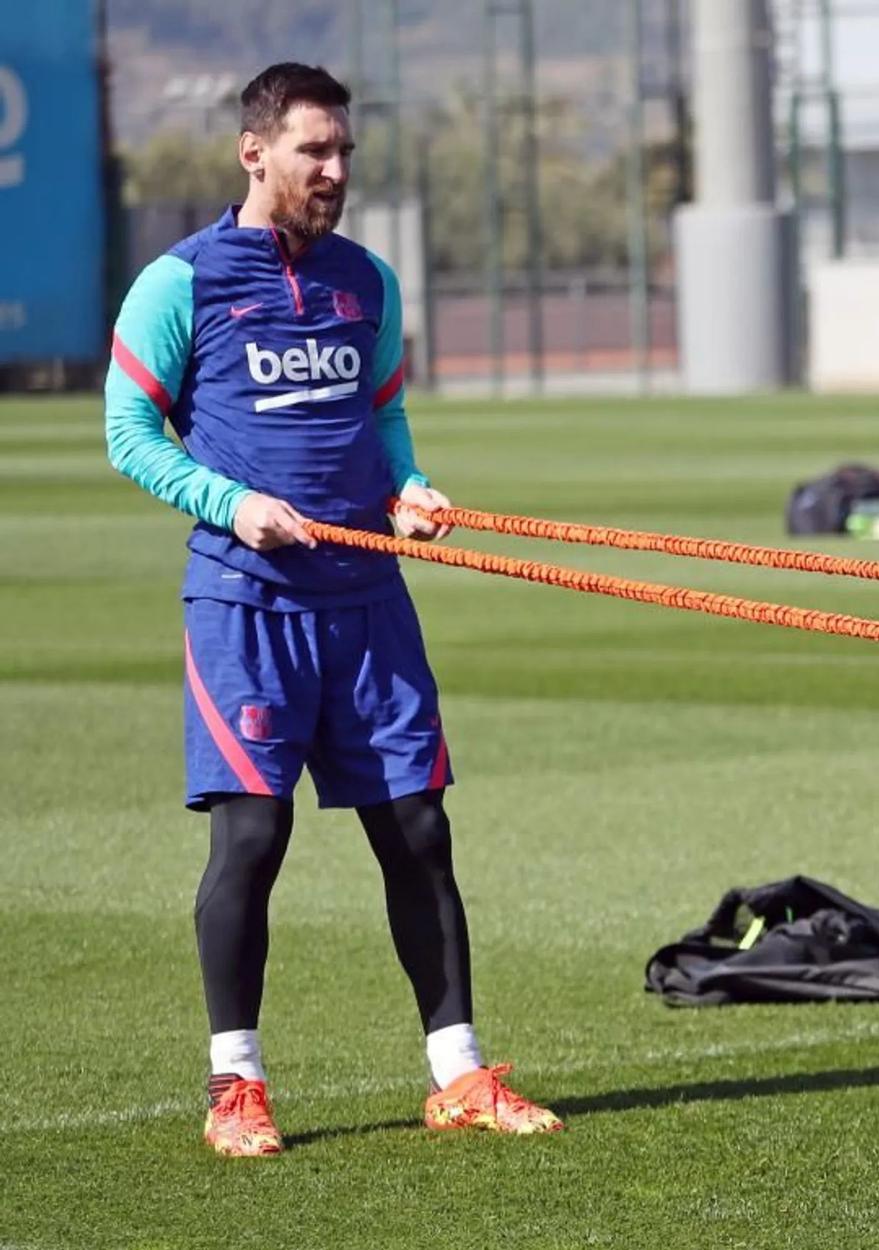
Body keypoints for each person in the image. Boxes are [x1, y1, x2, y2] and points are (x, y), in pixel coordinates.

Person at [104, 63, 561, 1158]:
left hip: (368, 606)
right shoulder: (182, 282)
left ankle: (457, 1072)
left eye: (345, 151)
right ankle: (236, 1084)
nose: (336, 170)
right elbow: (130, 433)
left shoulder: (367, 282)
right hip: (245, 604)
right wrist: (233, 504)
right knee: (251, 837)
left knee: (419, 828)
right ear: (254, 152)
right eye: (315, 150)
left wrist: (408, 490)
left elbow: (384, 415)